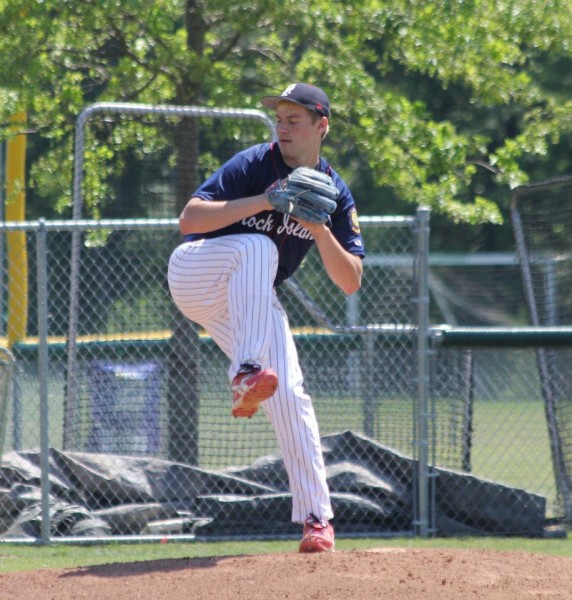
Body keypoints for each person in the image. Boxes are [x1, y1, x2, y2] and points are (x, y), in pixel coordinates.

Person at [167, 83, 365, 552]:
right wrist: (264, 200)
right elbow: (189, 219)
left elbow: (351, 279)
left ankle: (317, 520)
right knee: (258, 245)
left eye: (294, 120)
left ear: (322, 126)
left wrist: (317, 228)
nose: (282, 126)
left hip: (247, 301)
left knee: (291, 397)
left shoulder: (334, 191)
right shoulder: (256, 163)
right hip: (197, 272)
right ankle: (246, 372)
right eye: (279, 117)